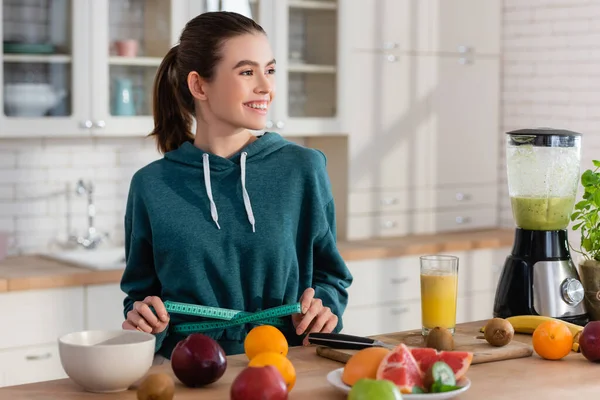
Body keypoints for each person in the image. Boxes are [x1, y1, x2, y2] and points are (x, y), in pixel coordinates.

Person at [119, 11, 353, 361]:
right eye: (247, 72)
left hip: (287, 362)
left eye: (270, 70)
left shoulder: (303, 168)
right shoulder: (151, 186)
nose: (266, 87)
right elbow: (140, 296)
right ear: (199, 85)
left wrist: (325, 306)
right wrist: (144, 319)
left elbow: (331, 276)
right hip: (185, 367)